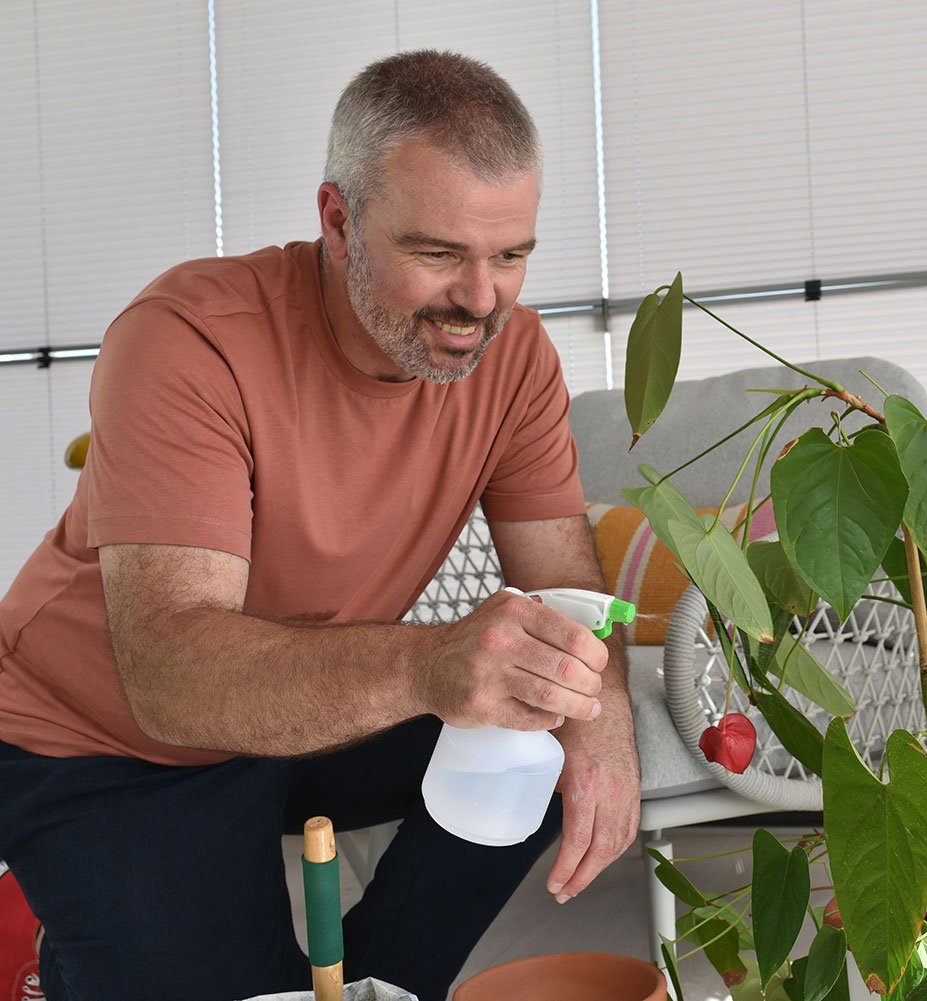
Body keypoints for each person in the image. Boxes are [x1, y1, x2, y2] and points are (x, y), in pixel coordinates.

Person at [0, 50, 640, 1001]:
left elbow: (564, 590)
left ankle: (380, 982)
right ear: (337, 221)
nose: (481, 300)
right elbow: (173, 674)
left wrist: (606, 726)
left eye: (510, 256)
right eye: (437, 253)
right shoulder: (190, 339)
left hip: (308, 713)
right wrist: (432, 664)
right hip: (111, 739)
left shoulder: (515, 357)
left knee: (549, 717)